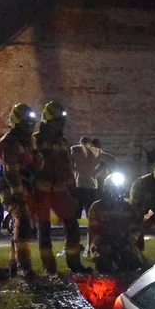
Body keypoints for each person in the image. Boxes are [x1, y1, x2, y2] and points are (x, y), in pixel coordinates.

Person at [33, 101, 90, 274]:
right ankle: (49, 268)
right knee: (44, 229)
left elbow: (68, 166)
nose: (60, 125)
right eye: (57, 121)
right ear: (48, 121)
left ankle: (74, 263)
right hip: (41, 190)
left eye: (61, 121)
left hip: (60, 190)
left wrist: (72, 188)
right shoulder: (35, 140)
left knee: (72, 226)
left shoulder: (63, 141)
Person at [0, 103, 41, 279]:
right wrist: (19, 193)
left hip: (26, 185)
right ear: (16, 123)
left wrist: (37, 162)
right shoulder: (7, 143)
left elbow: (37, 162)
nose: (29, 127)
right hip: (9, 187)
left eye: (31, 123)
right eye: (25, 124)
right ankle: (24, 267)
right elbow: (11, 172)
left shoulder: (30, 141)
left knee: (21, 224)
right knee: (22, 219)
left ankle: (13, 264)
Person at [87, 173, 146, 274]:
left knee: (134, 264)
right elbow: (92, 229)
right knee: (104, 264)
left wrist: (131, 242)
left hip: (124, 241)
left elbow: (136, 228)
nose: (115, 192)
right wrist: (99, 244)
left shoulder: (128, 207)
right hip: (103, 242)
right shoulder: (97, 207)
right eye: (112, 189)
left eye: (117, 189)